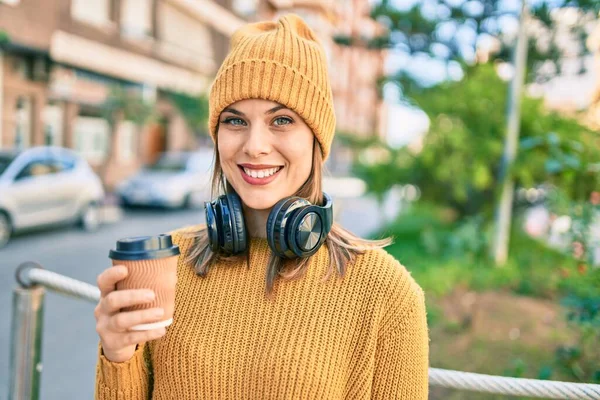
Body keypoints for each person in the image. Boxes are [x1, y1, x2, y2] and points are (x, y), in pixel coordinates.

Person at [94, 14, 429, 400]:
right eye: (235, 121)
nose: (254, 145)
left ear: (317, 141)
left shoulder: (387, 293)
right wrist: (118, 355)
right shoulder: (168, 264)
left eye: (281, 120)